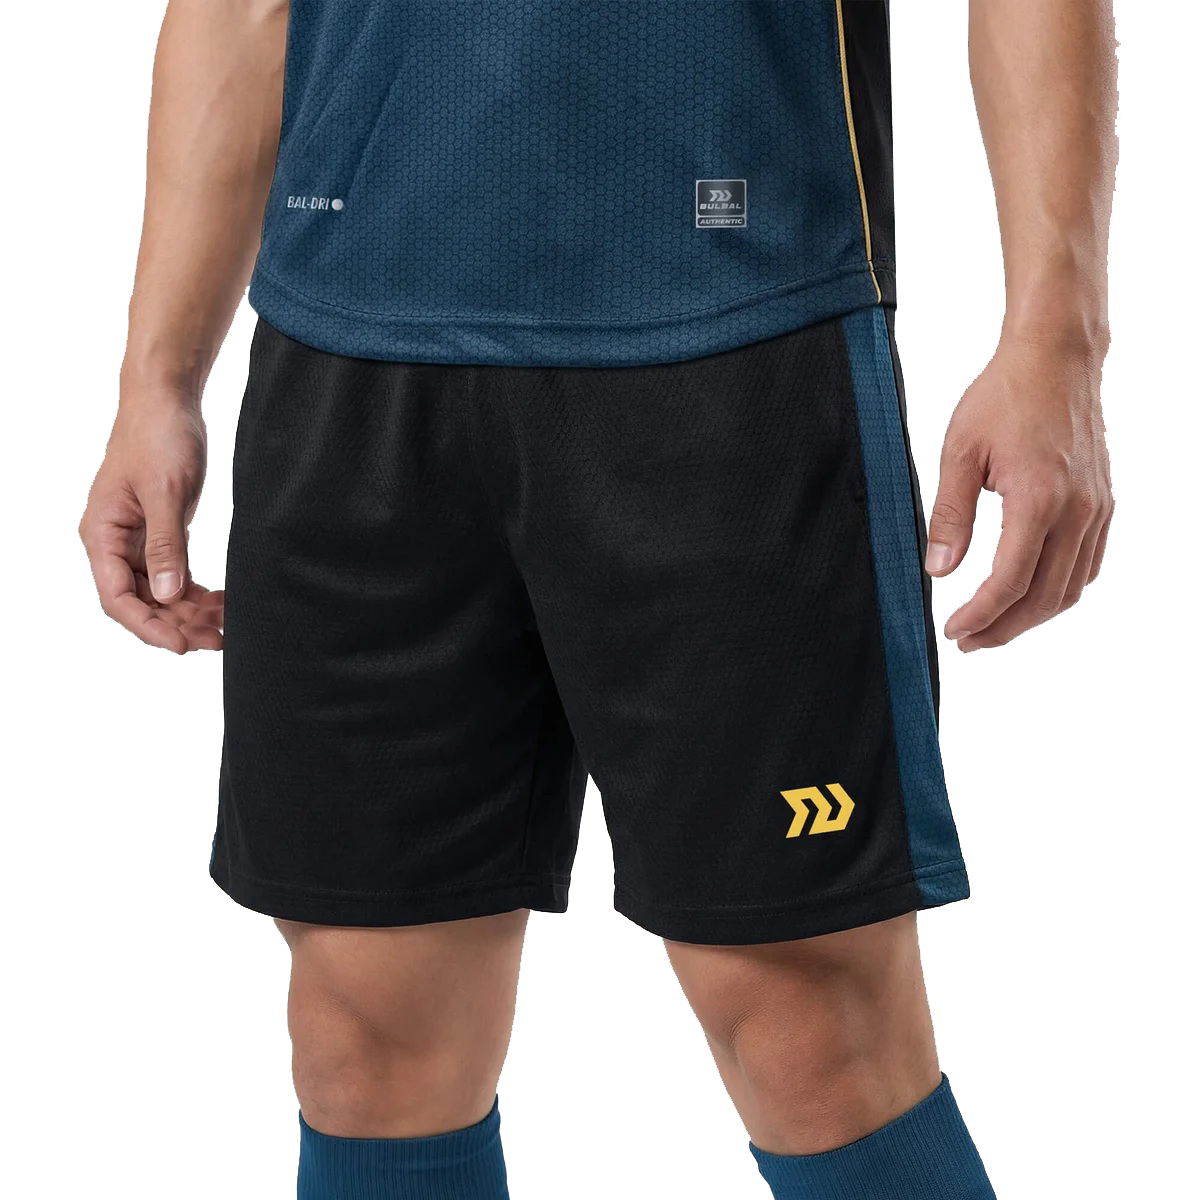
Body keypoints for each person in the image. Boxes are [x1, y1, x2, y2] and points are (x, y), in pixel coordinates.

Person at [79, 2, 1116, 1197]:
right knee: (363, 1038)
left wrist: (1059, 340)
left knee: (809, 1029)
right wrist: (155, 380)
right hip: (350, 351)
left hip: (733, 330)